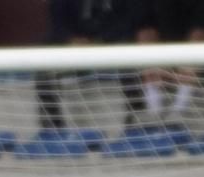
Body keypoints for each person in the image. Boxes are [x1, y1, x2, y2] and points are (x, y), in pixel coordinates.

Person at [37, 0, 153, 134]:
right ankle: (53, 127)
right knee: (44, 70)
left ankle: (136, 120)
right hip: (76, 48)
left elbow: (133, 20)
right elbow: (58, 22)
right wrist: (71, 39)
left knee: (128, 64)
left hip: (115, 45)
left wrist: (101, 41)